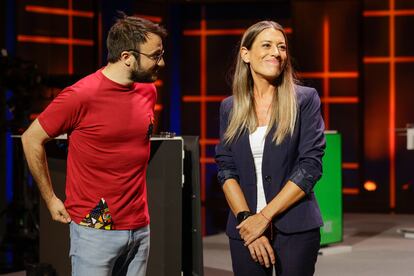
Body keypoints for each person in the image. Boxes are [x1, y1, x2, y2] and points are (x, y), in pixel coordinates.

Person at [21, 14, 166, 275]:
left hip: (139, 225)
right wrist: (50, 198)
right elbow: (31, 138)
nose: (162, 62)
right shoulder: (81, 96)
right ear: (126, 57)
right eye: (155, 56)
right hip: (96, 225)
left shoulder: (148, 90)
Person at [215, 20, 326, 276]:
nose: (276, 53)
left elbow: (310, 167)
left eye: (282, 47)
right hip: (245, 228)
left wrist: (263, 218)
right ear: (246, 54)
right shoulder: (229, 107)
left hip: (295, 227)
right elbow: (226, 169)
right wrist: (247, 221)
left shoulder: (305, 100)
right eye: (266, 45)